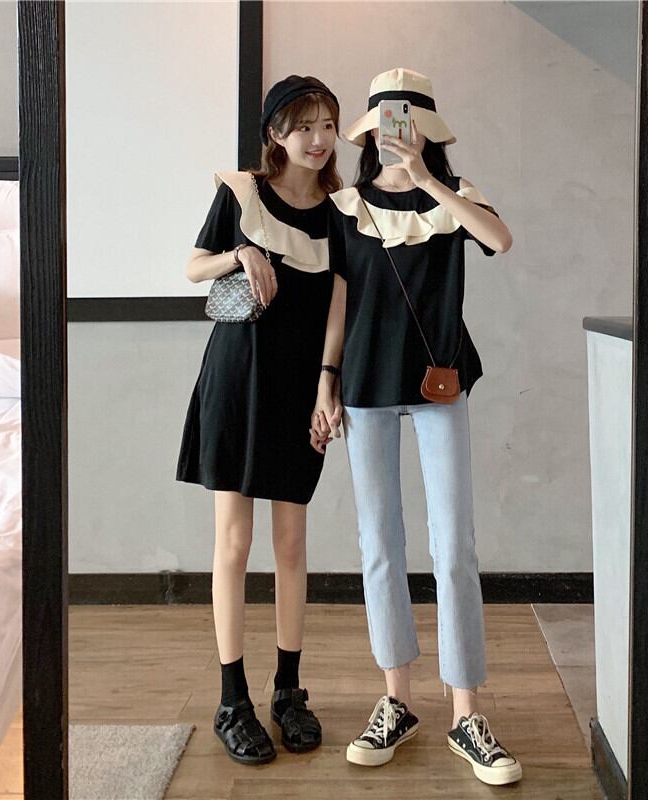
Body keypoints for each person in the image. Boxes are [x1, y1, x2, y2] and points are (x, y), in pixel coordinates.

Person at [311, 67, 522, 786]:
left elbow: (500, 240)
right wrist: (326, 379)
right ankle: (397, 700)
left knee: (453, 545)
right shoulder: (344, 208)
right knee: (379, 544)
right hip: (366, 381)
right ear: (369, 131)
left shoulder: (454, 198)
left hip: (439, 381)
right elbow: (339, 299)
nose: (392, 135)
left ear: (425, 130)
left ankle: (467, 713)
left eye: (406, 123)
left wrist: (428, 178)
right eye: (383, 124)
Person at [176, 75, 341, 765]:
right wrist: (239, 252)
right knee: (234, 545)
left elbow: (340, 305)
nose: (318, 138)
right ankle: (232, 700)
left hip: (301, 389)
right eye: (304, 126)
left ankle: (288, 692)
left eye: (327, 124)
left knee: (293, 545)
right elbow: (193, 269)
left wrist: (328, 385)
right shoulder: (240, 193)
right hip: (237, 382)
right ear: (276, 133)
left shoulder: (340, 211)